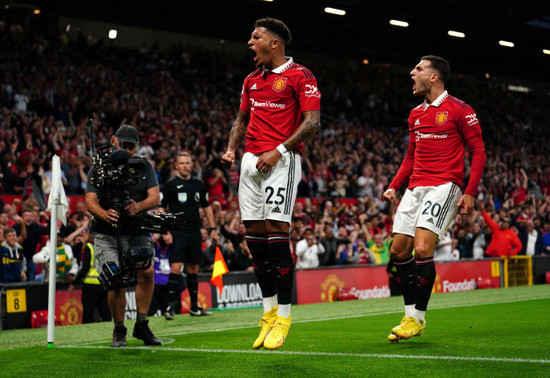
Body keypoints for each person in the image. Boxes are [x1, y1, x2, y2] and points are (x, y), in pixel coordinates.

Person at [220, 17, 321, 350]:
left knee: (277, 236)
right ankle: (267, 314)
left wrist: (278, 151)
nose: (250, 42)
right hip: (250, 161)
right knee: (256, 242)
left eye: (256, 37)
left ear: (274, 43)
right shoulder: (251, 80)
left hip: (282, 161)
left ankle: (285, 317)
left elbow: (313, 122)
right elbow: (241, 119)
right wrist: (232, 149)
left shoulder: (300, 75)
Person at [382, 56, 486, 342]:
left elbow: (478, 151)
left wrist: (470, 192)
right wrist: (394, 186)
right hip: (415, 187)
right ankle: (408, 316)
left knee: (423, 247)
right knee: (398, 252)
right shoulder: (415, 114)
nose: (412, 72)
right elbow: (410, 156)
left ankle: (418, 317)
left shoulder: (460, 110)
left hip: (444, 186)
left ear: (434, 77)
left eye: (418, 68)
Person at [86, 124, 161, 347]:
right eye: (124, 145)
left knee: (146, 272)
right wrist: (103, 213)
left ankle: (142, 324)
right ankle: (119, 328)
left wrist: (138, 206)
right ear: (113, 141)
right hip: (107, 232)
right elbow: (90, 200)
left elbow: (155, 197)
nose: (127, 150)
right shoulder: (99, 167)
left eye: (131, 146)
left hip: (136, 228)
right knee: (115, 279)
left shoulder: (143, 165)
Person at [158, 151, 219, 319]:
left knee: (193, 269)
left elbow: (206, 207)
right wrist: (165, 230)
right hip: (178, 232)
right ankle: (170, 307)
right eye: (182, 163)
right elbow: (161, 208)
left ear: (192, 165)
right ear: (176, 166)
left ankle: (194, 307)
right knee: (176, 267)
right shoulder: (170, 185)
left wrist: (213, 229)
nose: (185, 166)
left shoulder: (199, 185)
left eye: (188, 163)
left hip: (194, 232)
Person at [69, 227, 111, 324]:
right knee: (105, 313)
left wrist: (74, 282)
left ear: (91, 234)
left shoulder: (89, 247)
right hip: (105, 284)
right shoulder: (107, 247)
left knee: (88, 313)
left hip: (91, 285)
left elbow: (85, 268)